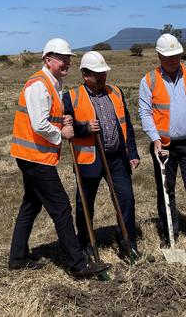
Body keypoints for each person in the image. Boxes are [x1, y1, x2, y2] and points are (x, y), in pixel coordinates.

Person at [8, 38, 111, 278]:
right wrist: (61, 132)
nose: (67, 63)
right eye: (63, 59)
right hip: (34, 157)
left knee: (31, 206)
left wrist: (62, 119)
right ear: (48, 60)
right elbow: (39, 123)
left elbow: (49, 115)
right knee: (61, 208)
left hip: (36, 156)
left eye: (69, 59)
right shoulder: (39, 84)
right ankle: (78, 264)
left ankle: (17, 257)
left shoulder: (54, 83)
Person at [138, 33, 186, 256]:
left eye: (176, 55)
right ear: (159, 56)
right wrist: (155, 140)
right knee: (165, 191)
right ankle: (169, 235)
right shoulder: (149, 80)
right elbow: (145, 113)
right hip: (163, 146)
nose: (173, 60)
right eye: (167, 56)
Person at [63, 51, 141, 258]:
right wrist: (84, 128)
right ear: (85, 75)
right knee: (85, 206)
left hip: (117, 159)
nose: (103, 77)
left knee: (126, 199)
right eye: (98, 74)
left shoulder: (115, 92)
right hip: (88, 160)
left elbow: (127, 125)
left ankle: (128, 241)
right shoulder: (71, 97)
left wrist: (132, 152)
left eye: (104, 73)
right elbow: (66, 129)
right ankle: (86, 243)